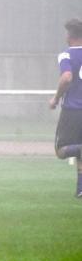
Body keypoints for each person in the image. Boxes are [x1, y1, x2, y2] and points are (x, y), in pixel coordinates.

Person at [49, 18, 82, 198]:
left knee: (61, 150)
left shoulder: (66, 55)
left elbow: (67, 77)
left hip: (73, 110)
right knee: (80, 151)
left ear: (69, 35)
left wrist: (56, 98)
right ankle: (80, 188)